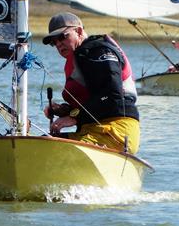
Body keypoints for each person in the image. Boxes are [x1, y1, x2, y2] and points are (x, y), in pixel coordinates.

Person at [41, 12, 140, 154]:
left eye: (62, 37)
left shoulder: (99, 51)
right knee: (45, 142)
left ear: (79, 31)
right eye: (53, 42)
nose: (58, 44)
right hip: (90, 130)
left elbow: (112, 95)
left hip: (116, 131)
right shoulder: (79, 58)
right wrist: (64, 110)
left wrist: (74, 117)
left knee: (60, 151)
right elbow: (94, 102)